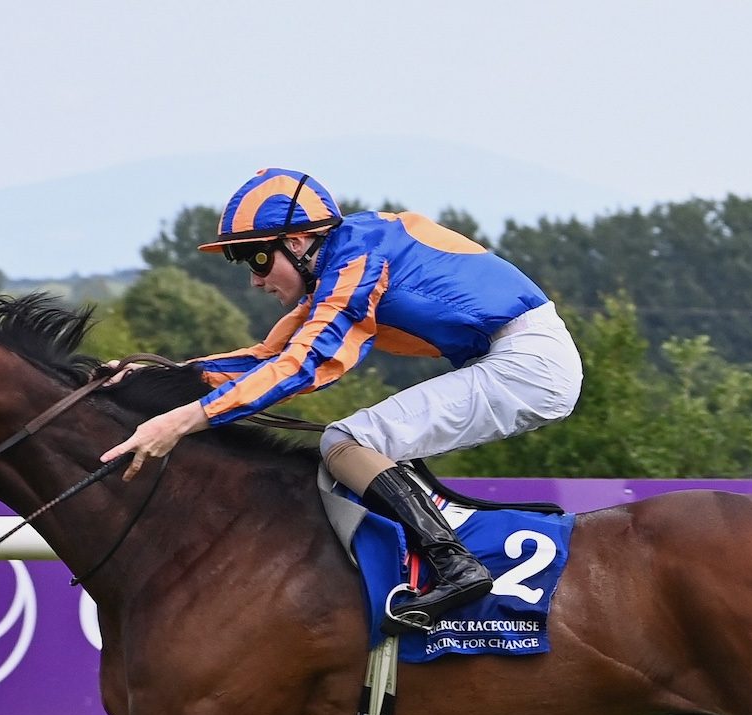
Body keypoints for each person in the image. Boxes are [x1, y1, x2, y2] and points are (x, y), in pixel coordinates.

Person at [101, 168, 583, 628]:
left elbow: (305, 367)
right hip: (513, 358)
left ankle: (456, 565)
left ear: (296, 241)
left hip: (528, 364)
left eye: (257, 258)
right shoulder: (342, 261)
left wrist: (181, 422)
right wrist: (160, 376)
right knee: (358, 443)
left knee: (346, 441)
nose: (254, 278)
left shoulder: (358, 261)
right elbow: (271, 359)